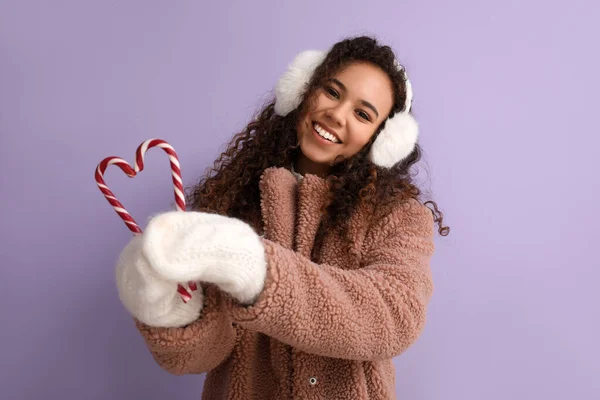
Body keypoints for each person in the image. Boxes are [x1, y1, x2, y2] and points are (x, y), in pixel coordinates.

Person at [115, 35, 449, 399]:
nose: (337, 115)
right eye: (332, 92)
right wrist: (166, 306)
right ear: (302, 90)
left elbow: (392, 316)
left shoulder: (399, 216)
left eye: (363, 114)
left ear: (384, 139)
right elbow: (201, 355)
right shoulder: (234, 200)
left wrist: (254, 266)